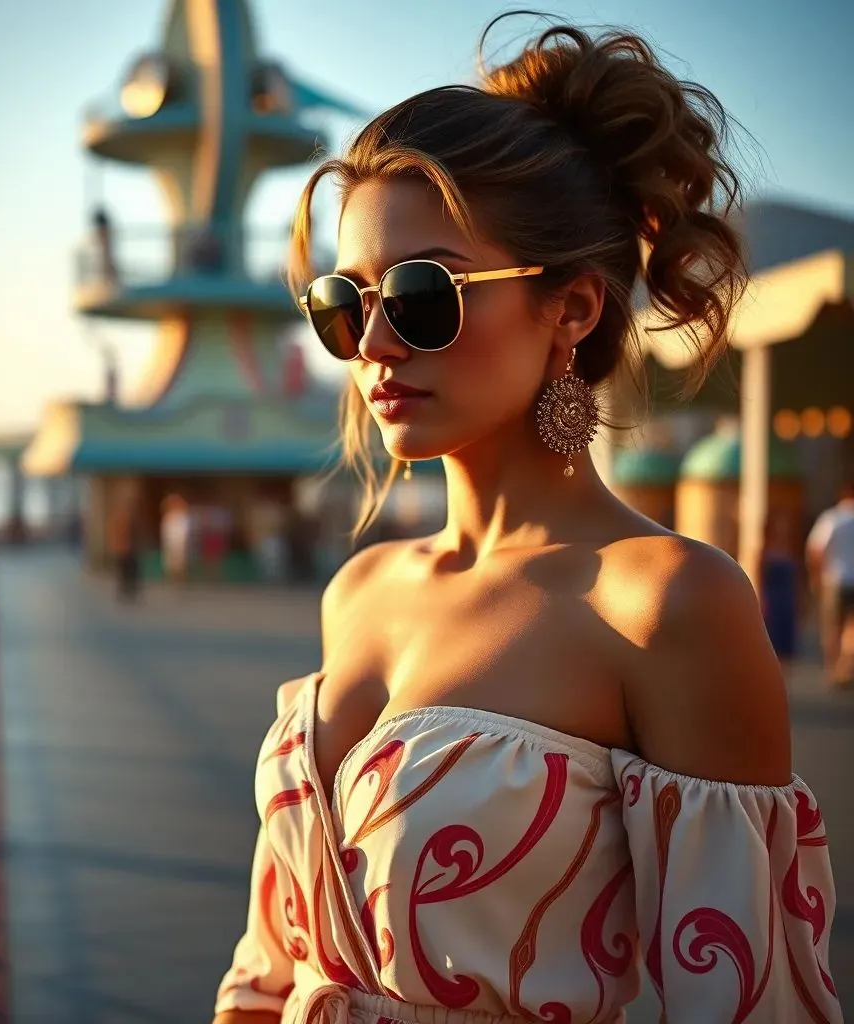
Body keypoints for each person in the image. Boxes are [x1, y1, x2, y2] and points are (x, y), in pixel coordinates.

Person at [212, 17, 841, 1024]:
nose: (372, 342)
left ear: (574, 309)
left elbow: (745, 997)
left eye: (422, 295)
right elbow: (271, 960)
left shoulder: (667, 604)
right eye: (345, 301)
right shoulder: (360, 590)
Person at [807, 478, 854, 686]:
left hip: (835, 578)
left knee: (832, 626)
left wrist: (816, 576)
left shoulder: (832, 518)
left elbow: (816, 549)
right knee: (851, 626)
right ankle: (846, 665)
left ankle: (832, 667)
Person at [759, 507, 801, 666]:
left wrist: (799, 600)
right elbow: (759, 578)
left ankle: (784, 683)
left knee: (786, 645)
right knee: (772, 642)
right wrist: (761, 601)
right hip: (772, 600)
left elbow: (796, 579)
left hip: (787, 599)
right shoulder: (763, 551)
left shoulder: (789, 548)